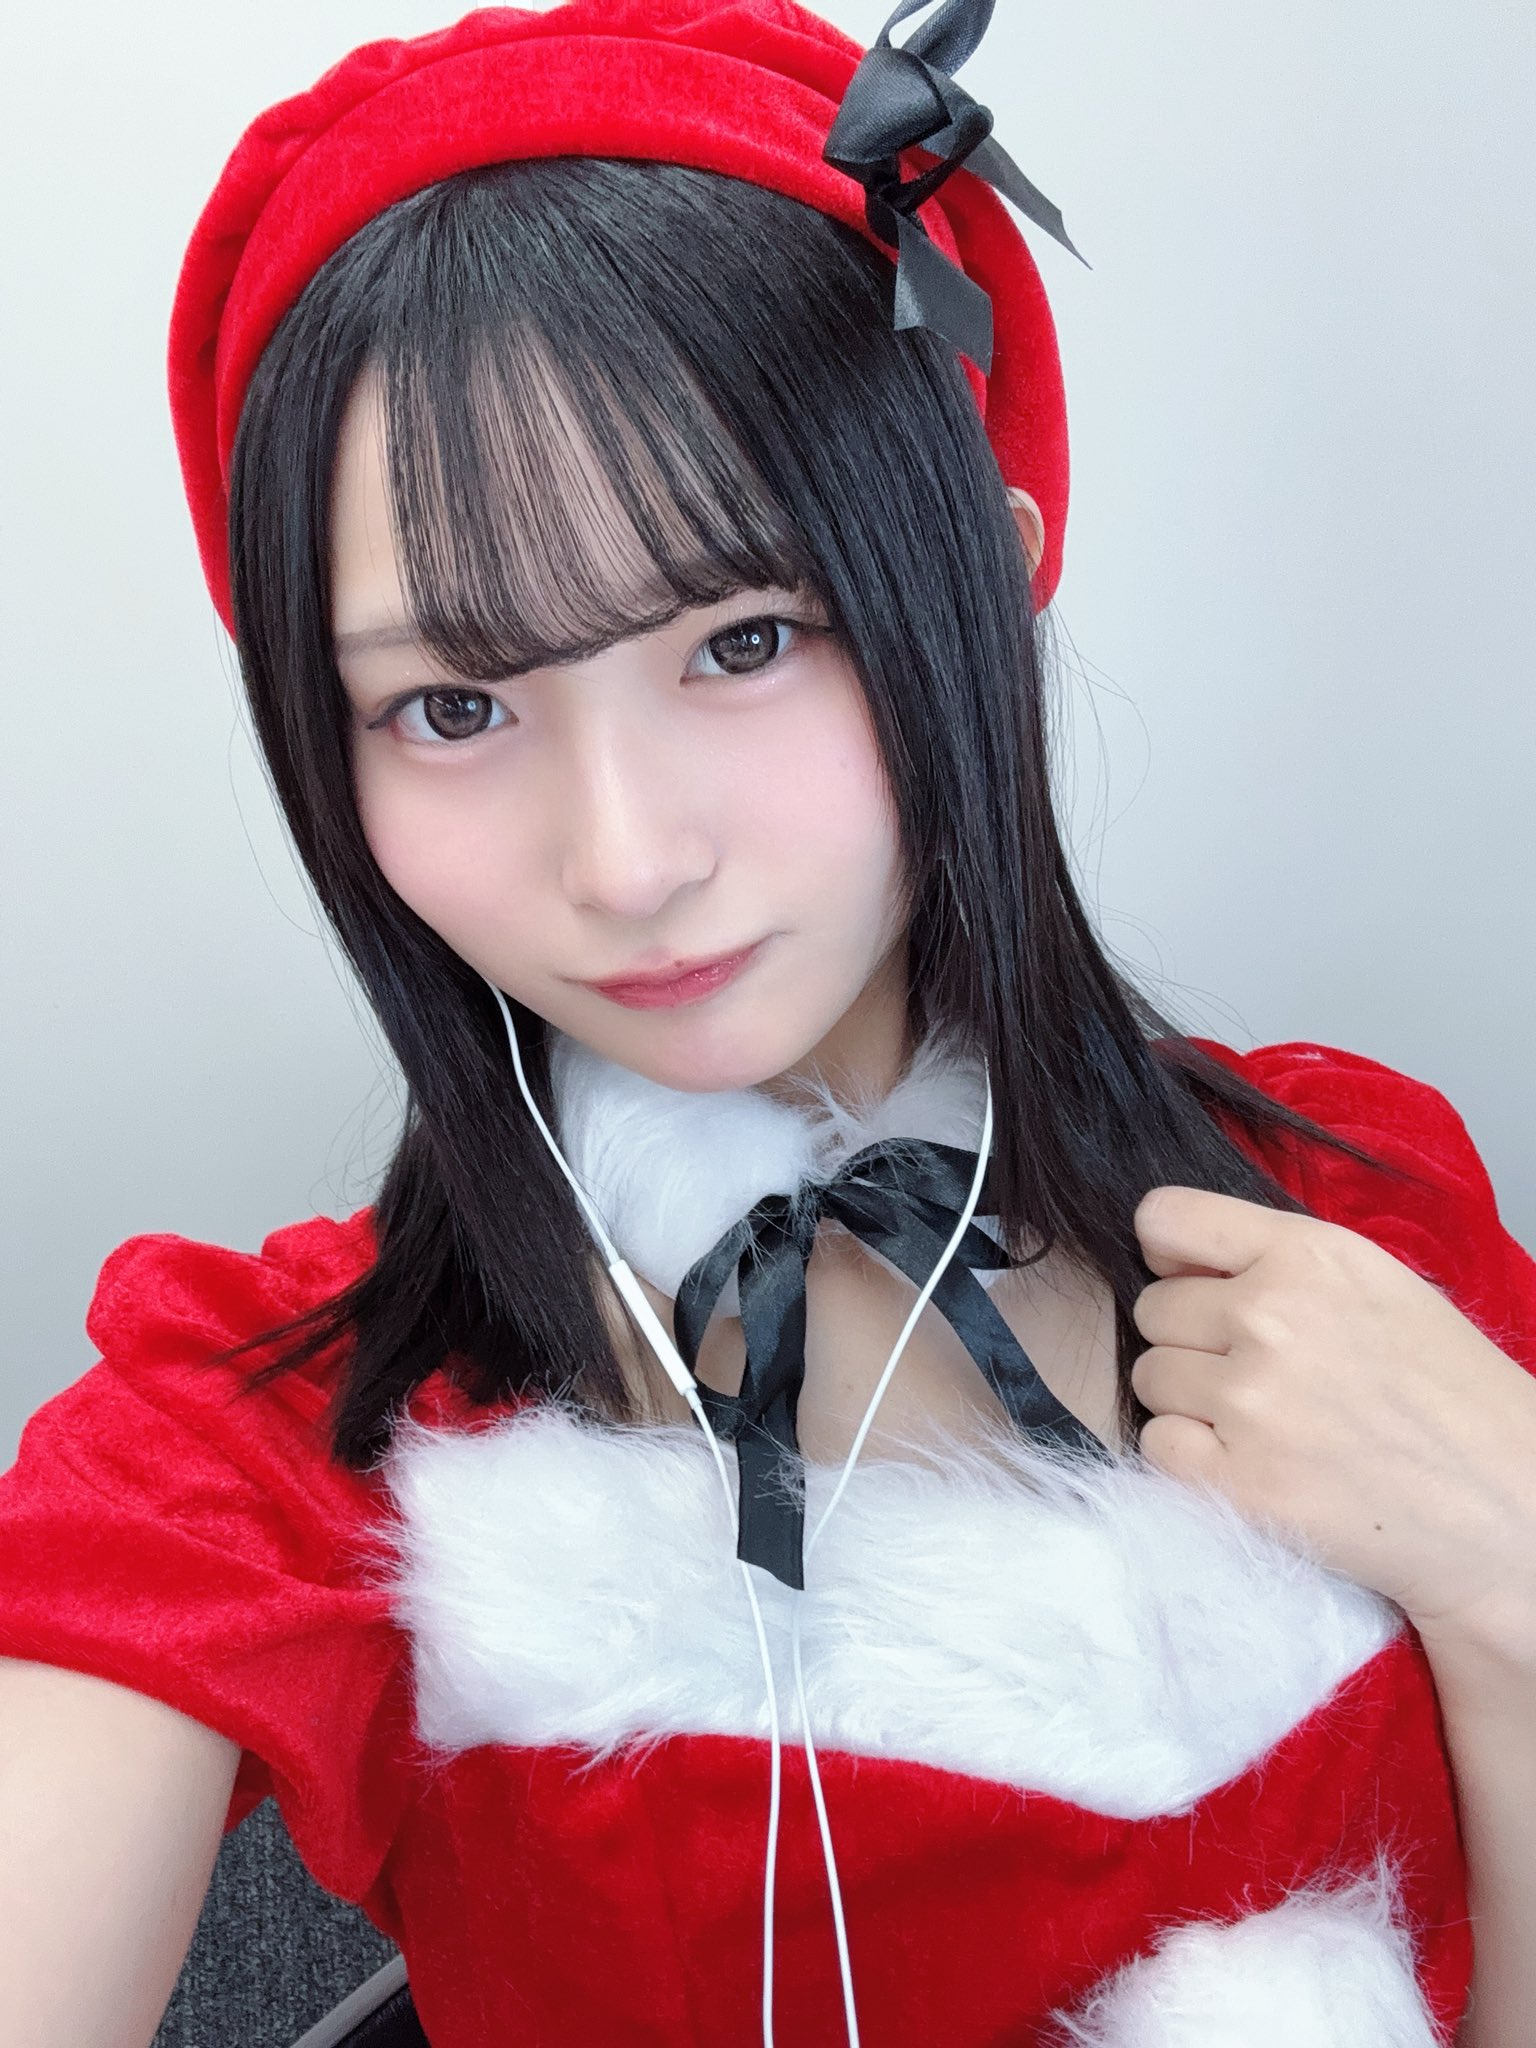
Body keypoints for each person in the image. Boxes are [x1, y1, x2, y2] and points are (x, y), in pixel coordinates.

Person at [2, 2, 1535, 2044]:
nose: (626, 860)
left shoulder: (1358, 1214)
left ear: (986, 581)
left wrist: (1512, 1561)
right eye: (450, 707)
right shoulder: (282, 1437)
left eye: (745, 638)